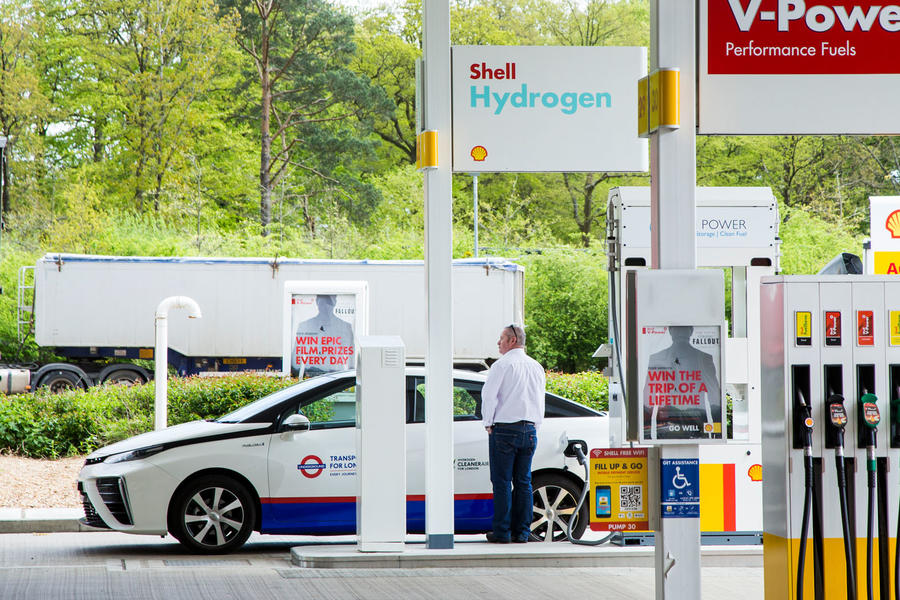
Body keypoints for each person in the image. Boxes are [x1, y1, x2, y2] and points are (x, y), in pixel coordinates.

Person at [481, 324, 545, 544]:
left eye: (501, 339)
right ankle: (523, 532)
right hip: (529, 430)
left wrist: (488, 422)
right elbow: (540, 400)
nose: (498, 343)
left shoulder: (501, 366)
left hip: (505, 431)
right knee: (524, 482)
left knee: (501, 482)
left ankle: (502, 532)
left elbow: (489, 397)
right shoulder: (536, 367)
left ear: (512, 340)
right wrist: (536, 427)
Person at [642, 325, 721, 440]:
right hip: (683, 418)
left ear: (670, 331)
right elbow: (714, 395)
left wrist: (646, 430)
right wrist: (717, 429)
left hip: (679, 418)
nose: (680, 333)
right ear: (691, 331)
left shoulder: (657, 357)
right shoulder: (703, 357)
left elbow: (648, 396)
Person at [292, 294, 355, 378]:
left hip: (336, 374)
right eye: (322, 303)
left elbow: (351, 356)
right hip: (311, 373)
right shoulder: (305, 325)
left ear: (335, 303)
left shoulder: (345, 326)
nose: (325, 307)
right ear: (317, 302)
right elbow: (296, 355)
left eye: (328, 303)